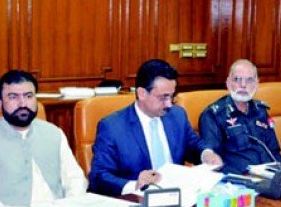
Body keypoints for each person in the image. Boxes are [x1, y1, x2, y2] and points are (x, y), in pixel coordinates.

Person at [89, 59, 222, 196]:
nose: (169, 104)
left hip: (178, 198)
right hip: (138, 203)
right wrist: (135, 185)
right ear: (142, 93)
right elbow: (99, 176)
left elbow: (192, 144)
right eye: (163, 97)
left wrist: (206, 154)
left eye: (172, 97)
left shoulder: (177, 115)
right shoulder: (112, 127)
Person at [0, 70, 86, 207]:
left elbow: (75, 178)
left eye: (28, 96)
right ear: (0, 104)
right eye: (13, 97)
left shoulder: (54, 133)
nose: (22, 103)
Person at [198, 59, 281, 174]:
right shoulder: (213, 115)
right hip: (238, 181)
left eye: (249, 80)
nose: (243, 85)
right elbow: (212, 159)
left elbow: (274, 151)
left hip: (268, 178)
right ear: (228, 83)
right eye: (237, 79)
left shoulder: (261, 111)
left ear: (257, 84)